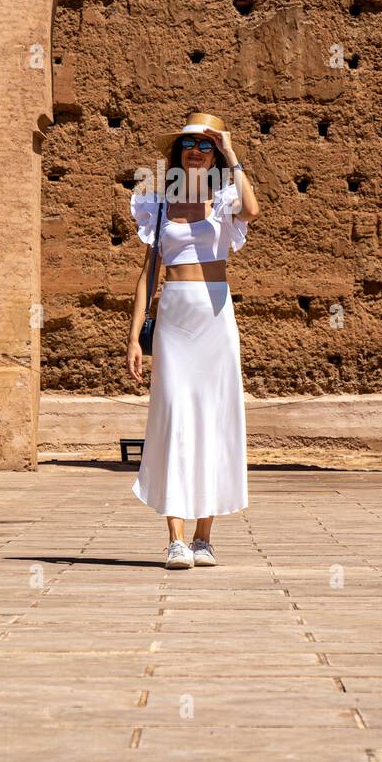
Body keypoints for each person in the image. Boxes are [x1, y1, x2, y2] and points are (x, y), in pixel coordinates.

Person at [125, 111, 260, 569]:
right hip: (175, 322)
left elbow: (253, 210)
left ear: (216, 153)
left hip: (216, 322)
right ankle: (175, 538)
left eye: (206, 145)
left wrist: (232, 151)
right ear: (178, 152)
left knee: (215, 419)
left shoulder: (226, 198)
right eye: (189, 145)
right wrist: (133, 339)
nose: (196, 152)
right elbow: (148, 275)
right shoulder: (157, 202)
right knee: (174, 417)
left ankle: (205, 538)